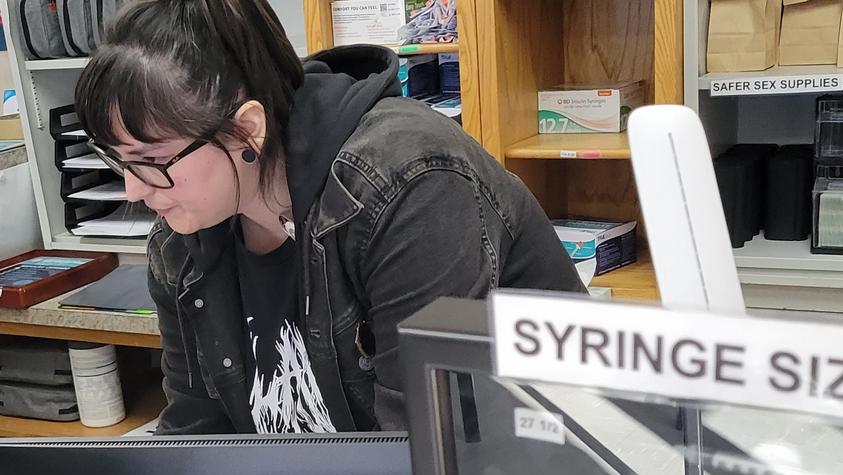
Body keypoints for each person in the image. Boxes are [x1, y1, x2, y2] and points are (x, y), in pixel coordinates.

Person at [74, 0, 585, 435]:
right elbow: (196, 435)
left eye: (152, 161)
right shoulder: (182, 235)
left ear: (246, 130)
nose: (135, 190)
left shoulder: (408, 184)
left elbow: (427, 450)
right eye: (119, 159)